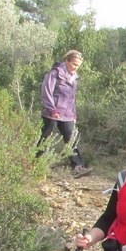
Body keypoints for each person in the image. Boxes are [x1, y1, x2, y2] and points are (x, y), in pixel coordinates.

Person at [36, 49, 90, 178]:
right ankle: (36, 164)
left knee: (71, 139)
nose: (75, 68)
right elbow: (46, 92)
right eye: (74, 65)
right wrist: (52, 109)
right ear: (66, 61)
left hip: (67, 114)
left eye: (78, 66)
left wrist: (73, 114)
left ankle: (77, 167)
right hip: (52, 112)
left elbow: (72, 98)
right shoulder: (54, 73)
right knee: (45, 138)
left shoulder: (74, 78)